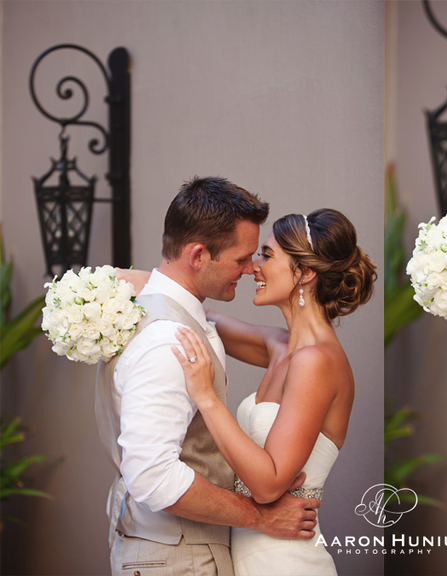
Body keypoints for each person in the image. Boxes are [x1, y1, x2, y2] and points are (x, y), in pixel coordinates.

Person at [96, 177, 320, 576]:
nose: (251, 268)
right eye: (241, 258)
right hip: (179, 559)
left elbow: (284, 344)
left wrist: (150, 284)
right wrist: (260, 517)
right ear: (198, 256)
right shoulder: (169, 341)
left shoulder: (165, 313)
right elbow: (152, 476)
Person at [171, 209, 376, 575]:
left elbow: (267, 485)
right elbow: (195, 316)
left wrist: (207, 398)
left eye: (266, 256)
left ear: (306, 272)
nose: (253, 268)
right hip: (251, 553)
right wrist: (142, 283)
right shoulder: (282, 347)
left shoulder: (317, 362)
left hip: (285, 562)